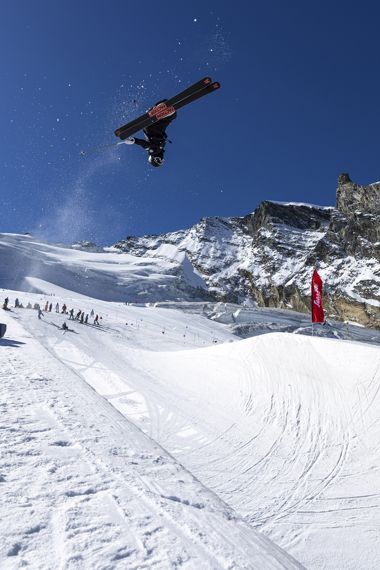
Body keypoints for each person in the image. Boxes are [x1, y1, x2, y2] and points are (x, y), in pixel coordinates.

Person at [124, 102, 177, 168]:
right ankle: (161, 109)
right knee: (171, 115)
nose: (160, 158)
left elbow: (145, 144)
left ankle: (161, 111)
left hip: (152, 126)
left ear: (153, 158)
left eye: (158, 160)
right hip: (155, 126)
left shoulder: (154, 151)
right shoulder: (159, 148)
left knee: (170, 116)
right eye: (161, 160)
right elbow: (147, 144)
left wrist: (134, 141)